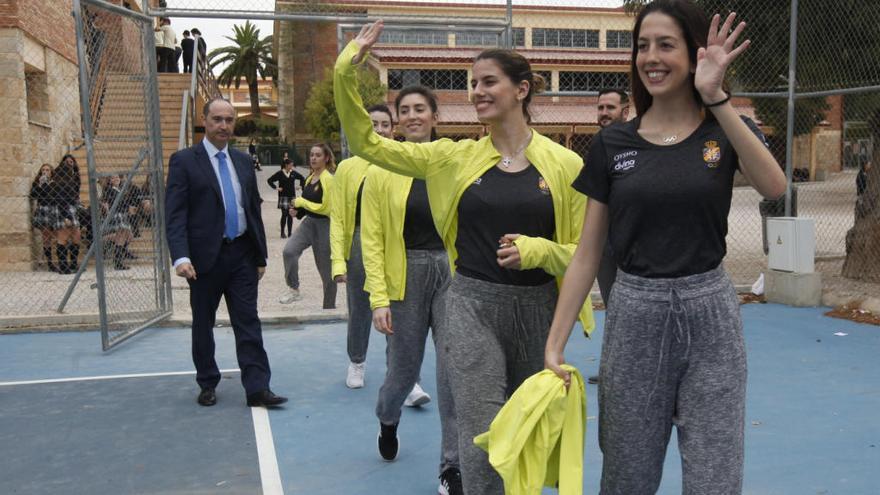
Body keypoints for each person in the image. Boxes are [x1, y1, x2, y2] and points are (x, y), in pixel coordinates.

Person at [334, 22, 594, 494]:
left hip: (538, 312)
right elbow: (370, 144)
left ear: (522, 89)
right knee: (478, 433)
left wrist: (538, 251)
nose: (476, 92)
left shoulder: (566, 165)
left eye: (488, 81)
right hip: (471, 303)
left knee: (528, 433)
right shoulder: (452, 157)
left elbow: (583, 255)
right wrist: (345, 70)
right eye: (472, 83)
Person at [543, 3, 787, 494]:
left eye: (666, 45)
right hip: (635, 313)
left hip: (711, 314)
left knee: (714, 476)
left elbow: (775, 186)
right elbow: (588, 254)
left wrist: (716, 97)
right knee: (627, 475)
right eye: (642, 46)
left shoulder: (723, 129)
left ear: (695, 55)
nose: (650, 57)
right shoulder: (614, 143)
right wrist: (555, 341)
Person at [360, 87, 461, 494]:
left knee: (453, 373)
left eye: (421, 109)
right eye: (405, 110)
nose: (413, 115)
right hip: (406, 276)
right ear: (398, 121)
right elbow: (371, 238)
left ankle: (451, 467)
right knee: (403, 371)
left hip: (451, 274)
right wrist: (378, 299)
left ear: (436, 116)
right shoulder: (381, 169)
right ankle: (388, 418)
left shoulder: (453, 160)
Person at [165, 97, 287, 408]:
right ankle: (207, 381)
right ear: (204, 121)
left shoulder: (244, 162)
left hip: (242, 255)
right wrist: (181, 257)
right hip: (204, 260)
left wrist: (260, 256)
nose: (224, 125)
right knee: (203, 323)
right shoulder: (184, 161)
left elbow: (253, 210)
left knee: (248, 321)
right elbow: (175, 214)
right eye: (217, 119)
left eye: (229, 120)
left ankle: (257, 387)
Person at [589, 87, 630, 385]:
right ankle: (612, 369)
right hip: (604, 242)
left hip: (633, 241)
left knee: (632, 306)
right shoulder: (597, 144)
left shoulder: (637, 141)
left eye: (610, 108)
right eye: (600, 107)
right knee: (612, 306)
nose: (604, 113)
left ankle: (635, 368)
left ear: (624, 111)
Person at [279, 143, 337, 309]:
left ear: (326, 158)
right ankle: (294, 289)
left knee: (326, 272)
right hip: (309, 223)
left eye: (318, 155)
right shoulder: (310, 179)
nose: (313, 158)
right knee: (289, 251)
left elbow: (327, 208)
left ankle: (329, 308)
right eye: (311, 155)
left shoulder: (329, 179)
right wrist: (298, 213)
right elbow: (307, 205)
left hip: (325, 225)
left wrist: (302, 202)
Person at [53, 154, 83, 275]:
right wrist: (66, 216)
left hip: (71, 209)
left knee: (76, 236)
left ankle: (73, 264)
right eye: (68, 163)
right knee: (63, 237)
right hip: (64, 210)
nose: (70, 165)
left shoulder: (71, 181)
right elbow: (60, 200)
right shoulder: (61, 183)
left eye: (72, 163)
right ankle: (64, 266)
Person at [100, 174, 135, 271]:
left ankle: (119, 257)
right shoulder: (110, 190)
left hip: (122, 214)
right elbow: (114, 204)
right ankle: (118, 262)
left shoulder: (118, 190)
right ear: (110, 180)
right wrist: (127, 208)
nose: (116, 179)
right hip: (118, 214)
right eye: (113, 178)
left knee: (129, 236)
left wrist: (128, 208)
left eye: (117, 177)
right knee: (121, 238)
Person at [30, 163, 58, 272]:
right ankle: (50, 263)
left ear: (51, 172)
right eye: (43, 170)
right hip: (43, 210)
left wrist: (45, 185)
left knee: (56, 235)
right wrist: (40, 185)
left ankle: (60, 260)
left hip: (53, 210)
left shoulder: (55, 183)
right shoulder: (38, 183)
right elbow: (33, 195)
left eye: (47, 170)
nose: (45, 172)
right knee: (46, 237)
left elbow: (52, 196)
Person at [267, 158, 305, 238]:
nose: (292, 166)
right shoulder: (280, 173)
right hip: (283, 196)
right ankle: (282, 232)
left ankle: (290, 233)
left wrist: (300, 186)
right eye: (291, 165)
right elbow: (269, 180)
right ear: (286, 165)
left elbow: (302, 178)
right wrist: (276, 188)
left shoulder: (293, 173)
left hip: (292, 197)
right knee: (284, 214)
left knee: (290, 214)